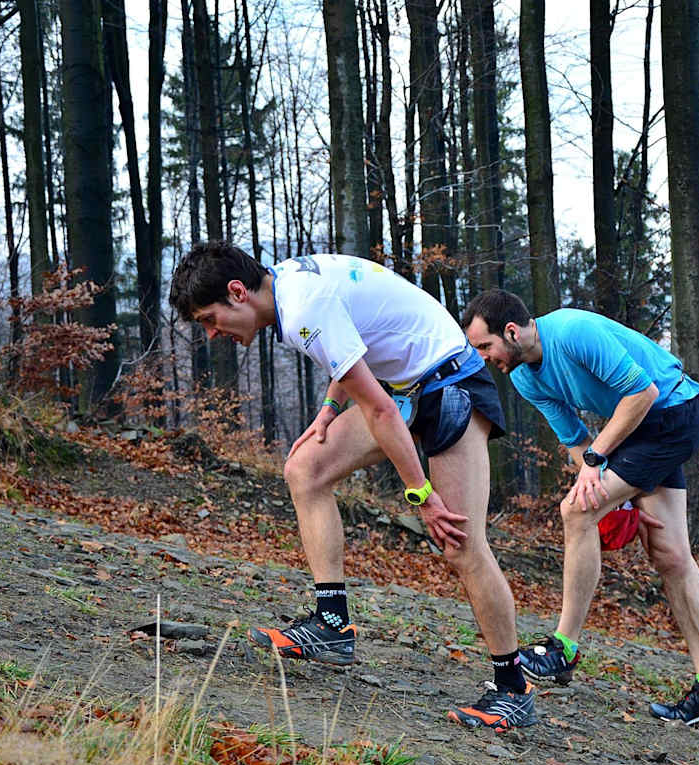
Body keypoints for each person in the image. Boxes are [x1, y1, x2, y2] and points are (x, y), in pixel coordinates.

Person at [169, 243, 536, 732]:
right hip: (407, 387)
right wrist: (327, 408)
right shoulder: (287, 289)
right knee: (306, 469)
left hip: (450, 386)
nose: (213, 333)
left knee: (460, 542)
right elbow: (353, 344)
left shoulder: (300, 307)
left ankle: (513, 689)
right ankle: (332, 625)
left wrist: (421, 496)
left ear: (237, 293)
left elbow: (381, 411)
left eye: (210, 319)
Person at [461, 288, 699, 726]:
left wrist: (597, 469)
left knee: (576, 512)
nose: (482, 357)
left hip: (671, 414)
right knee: (671, 555)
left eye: (485, 345)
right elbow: (576, 441)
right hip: (639, 432)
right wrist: (610, 493)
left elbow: (641, 393)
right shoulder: (524, 377)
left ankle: (563, 648)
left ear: (511, 332)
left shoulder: (575, 331)